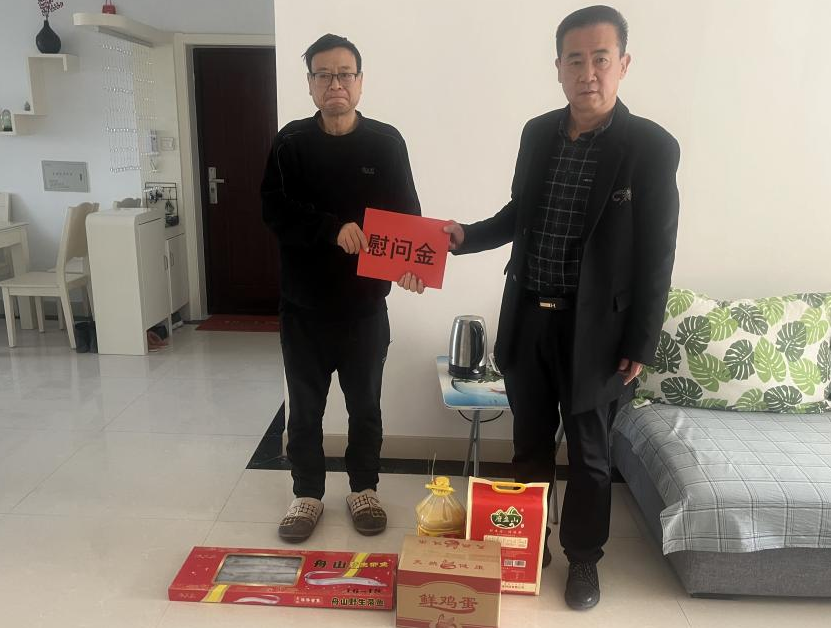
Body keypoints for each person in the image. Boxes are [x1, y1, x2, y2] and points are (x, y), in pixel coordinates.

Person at [440, 5, 680, 610]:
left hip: (597, 333)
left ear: (623, 64)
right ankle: (527, 544)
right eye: (575, 59)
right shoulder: (538, 132)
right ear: (558, 67)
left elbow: (657, 253)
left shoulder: (651, 147)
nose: (587, 72)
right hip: (529, 318)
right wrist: (465, 236)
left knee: (591, 457)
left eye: (601, 59)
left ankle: (584, 560)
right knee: (528, 448)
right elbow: (519, 214)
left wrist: (641, 341)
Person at [261, 33, 422, 543]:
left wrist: (409, 266)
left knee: (365, 407)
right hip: (303, 308)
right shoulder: (290, 142)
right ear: (310, 83)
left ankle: (363, 489)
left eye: (345, 74)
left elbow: (407, 216)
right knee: (305, 409)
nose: (335, 84)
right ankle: (307, 494)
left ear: (360, 81)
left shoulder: (386, 143)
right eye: (324, 74)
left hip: (364, 308)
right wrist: (330, 228)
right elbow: (275, 211)